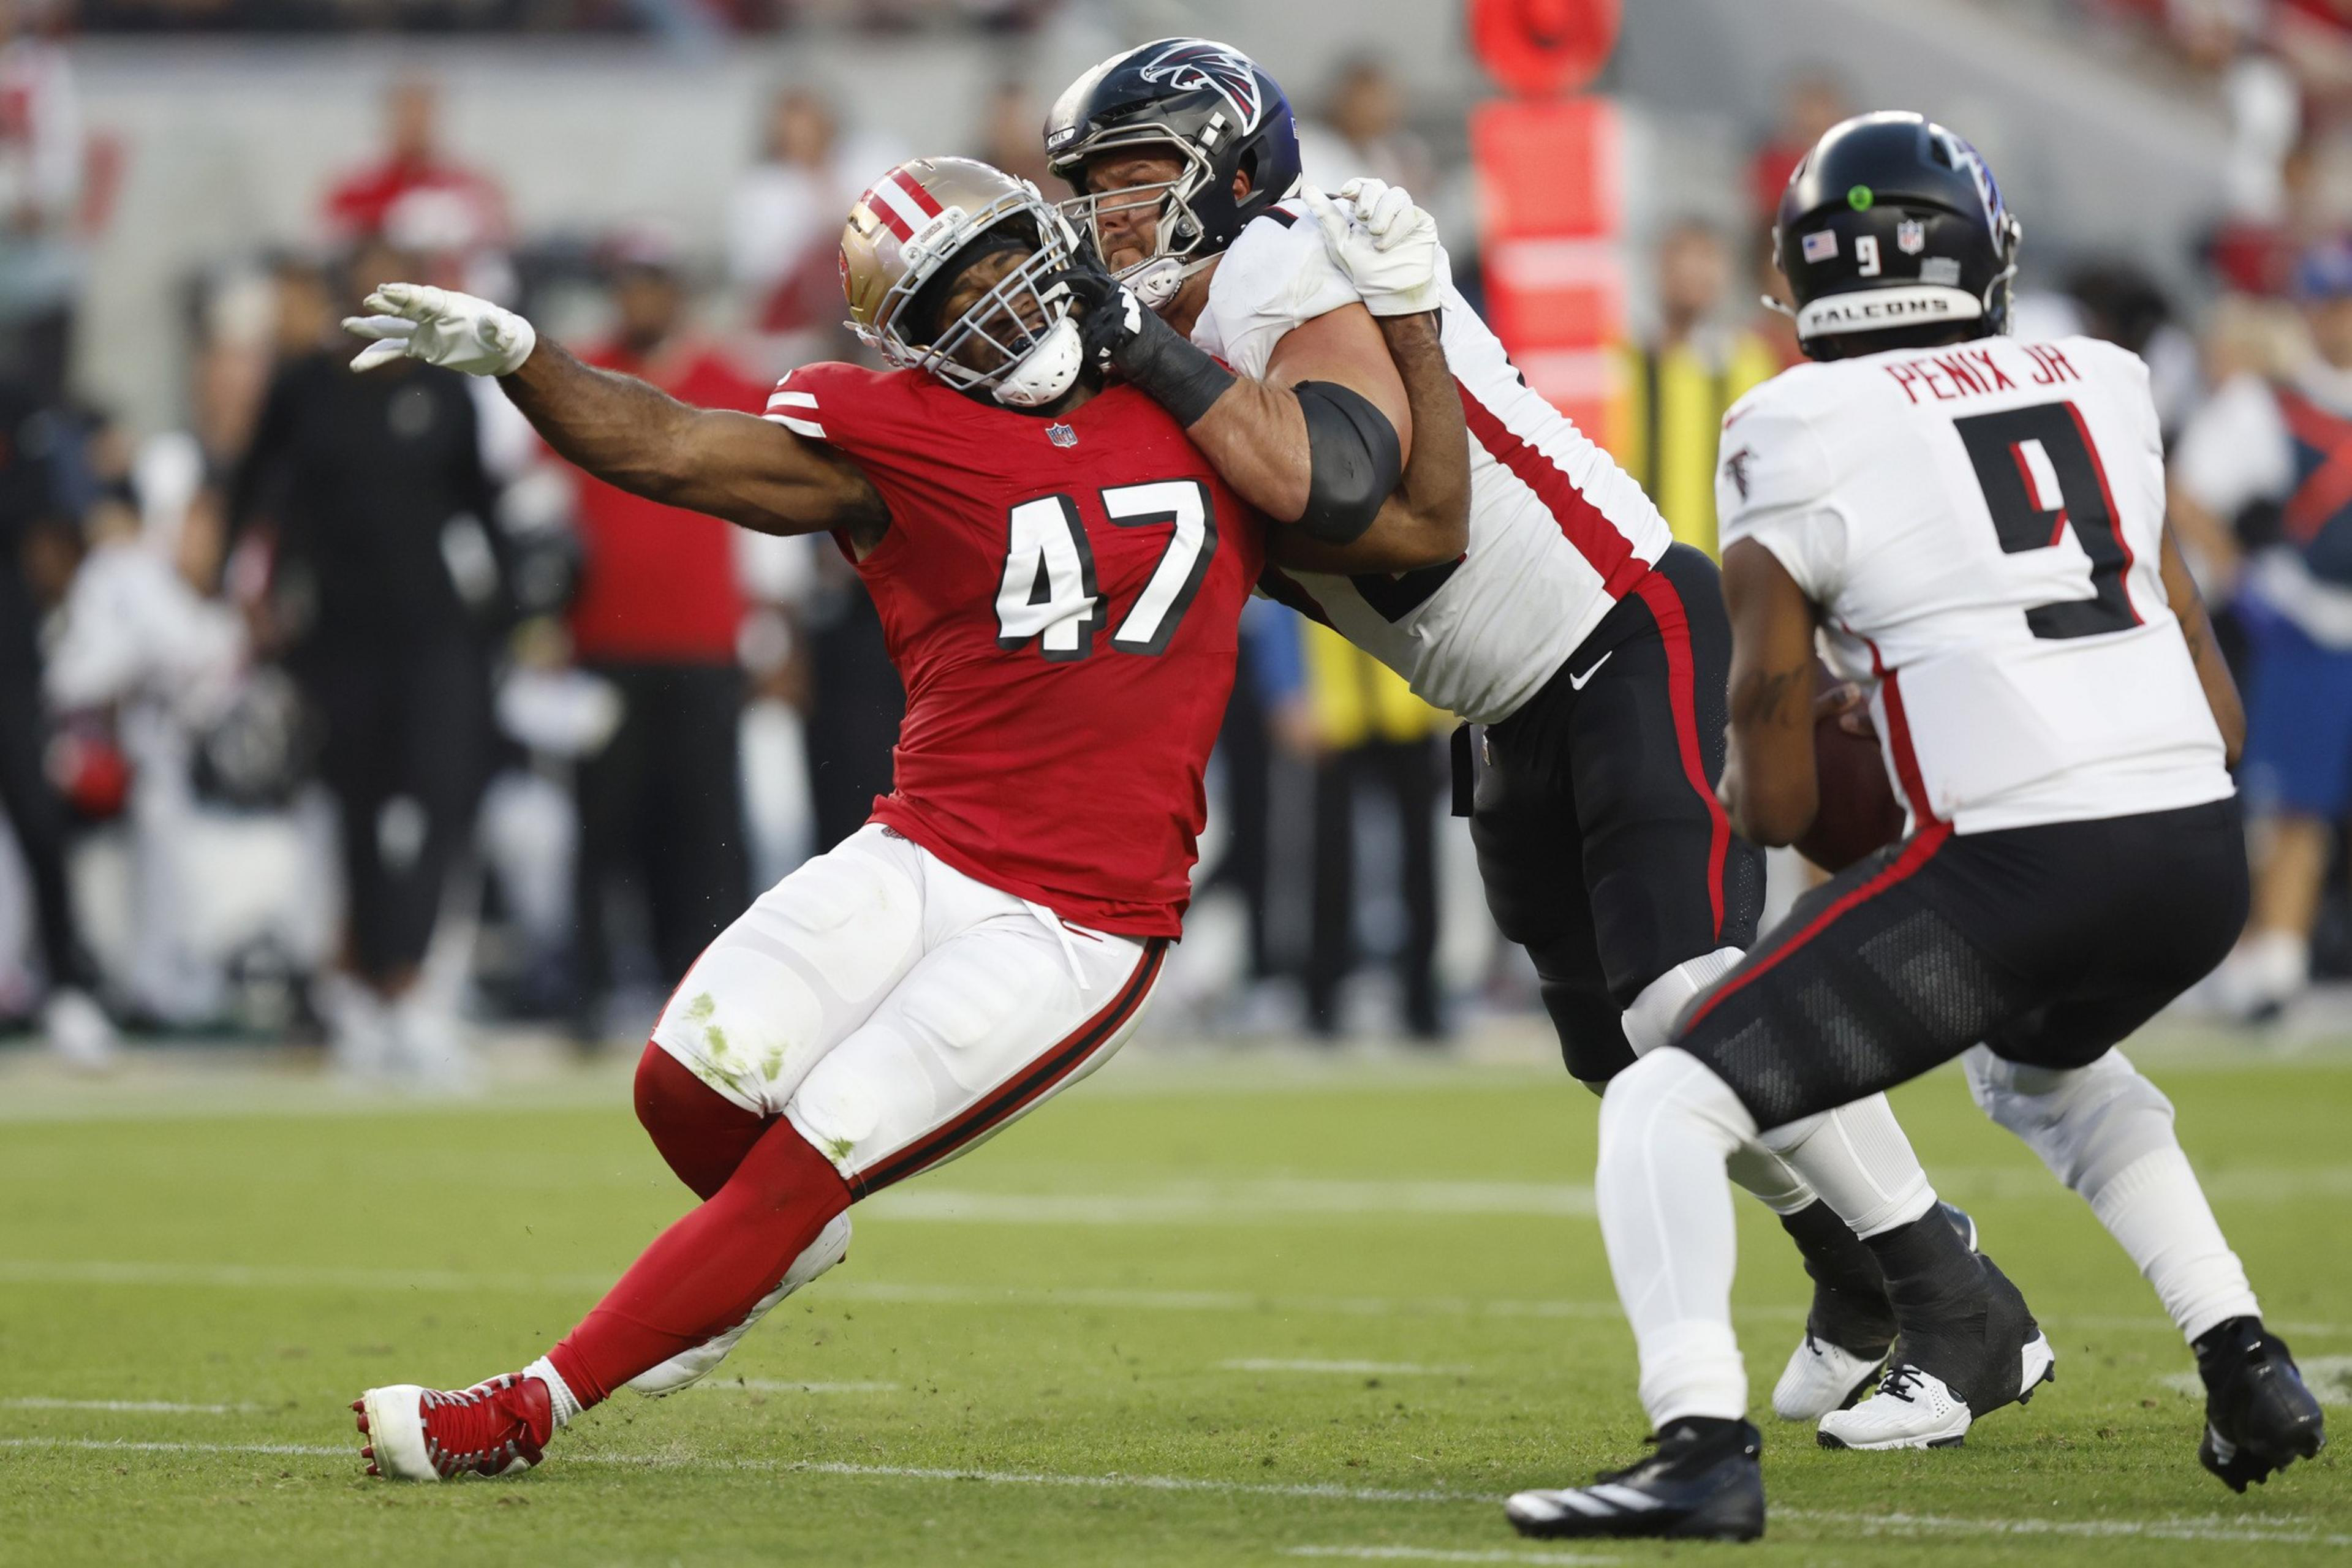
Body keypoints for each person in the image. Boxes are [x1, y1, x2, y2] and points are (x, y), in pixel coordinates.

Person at [335, 156, 1460, 1480]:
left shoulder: (1196, 403)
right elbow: (666, 442)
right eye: (951, 298)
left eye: (1001, 267)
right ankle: (765, 1248)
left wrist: (1416, 329)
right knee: (683, 1078)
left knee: (817, 1146)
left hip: (1079, 920)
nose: (992, 308)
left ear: (1054, 246)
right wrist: (525, 357)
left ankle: (527, 1406)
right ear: (905, 339)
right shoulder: (895, 433)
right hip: (922, 846)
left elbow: (1416, 528)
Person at [1046, 37, 1984, 1422]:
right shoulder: (1170, 333)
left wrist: (1132, 356)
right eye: (1089, 187)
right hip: (1505, 702)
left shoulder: (1284, 264)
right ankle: (1842, 1258)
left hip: (1619, 627)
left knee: (1690, 995)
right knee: (1620, 1052)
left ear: (1233, 169)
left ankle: (1948, 1288)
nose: (1110, 214)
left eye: (1137, 176)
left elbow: (1355, 490)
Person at [1504, 113, 2326, 1543]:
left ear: (1803, 276)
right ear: (1983, 254)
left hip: (2015, 860)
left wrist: (1851, 749)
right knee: (2047, 1070)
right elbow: (2216, 699)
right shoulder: (2106, 376)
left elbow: (1767, 796)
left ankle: (1698, 1439)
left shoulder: (1790, 422)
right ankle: (2243, 1355)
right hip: (2195, 847)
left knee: (1663, 1091)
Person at [228, 237, 510, 1087]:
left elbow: (480, 508)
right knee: (353, 813)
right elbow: (251, 488)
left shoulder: (445, 391)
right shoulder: (307, 388)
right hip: (335, 635)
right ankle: (362, 993)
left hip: (433, 633)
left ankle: (412, 988)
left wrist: (511, 619)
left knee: (442, 805)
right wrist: (238, 590)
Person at [564, 225, 766, 1034]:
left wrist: (769, 630)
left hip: (704, 641)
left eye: (653, 283)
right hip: (606, 645)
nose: (640, 299)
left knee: (708, 829)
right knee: (604, 826)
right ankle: (587, 990)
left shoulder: (727, 379)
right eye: (629, 284)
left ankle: (708, 991)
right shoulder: (584, 375)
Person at [2173, 239, 2352, 1021]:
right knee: (2277, 802)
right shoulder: (2269, 401)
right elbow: (2187, 495)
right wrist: (2244, 577)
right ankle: (2260, 965)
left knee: (2309, 804)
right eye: (2328, 303)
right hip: (2299, 622)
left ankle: (2276, 958)